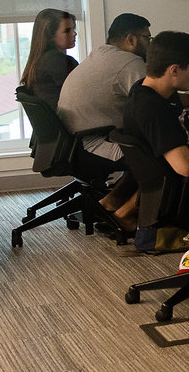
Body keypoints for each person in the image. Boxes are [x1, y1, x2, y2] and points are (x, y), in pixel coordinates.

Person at [56, 12, 152, 224]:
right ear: (131, 39)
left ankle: (110, 202)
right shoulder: (129, 62)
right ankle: (125, 215)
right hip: (93, 145)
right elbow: (154, 101)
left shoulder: (99, 55)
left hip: (74, 144)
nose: (150, 44)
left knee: (143, 144)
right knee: (159, 152)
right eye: (147, 38)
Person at [120, 31, 189, 248]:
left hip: (172, 186)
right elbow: (185, 166)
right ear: (174, 70)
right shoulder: (151, 107)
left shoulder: (158, 92)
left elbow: (187, 128)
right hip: (185, 189)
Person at [18, 8, 79, 103]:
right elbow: (83, 92)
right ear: (50, 35)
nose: (74, 34)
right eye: (67, 31)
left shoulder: (41, 61)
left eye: (73, 29)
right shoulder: (56, 61)